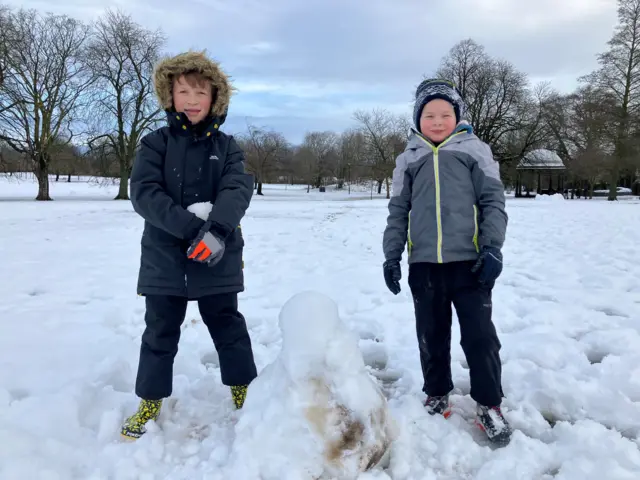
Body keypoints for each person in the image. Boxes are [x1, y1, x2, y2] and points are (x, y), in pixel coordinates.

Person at [121, 51, 257, 440]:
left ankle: (244, 391)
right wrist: (191, 229)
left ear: (215, 98)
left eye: (201, 92)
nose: (192, 100)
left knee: (229, 327)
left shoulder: (229, 147)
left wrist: (215, 233)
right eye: (183, 91)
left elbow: (237, 188)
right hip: (165, 258)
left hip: (217, 256)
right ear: (170, 95)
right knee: (159, 332)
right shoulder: (154, 144)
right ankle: (149, 401)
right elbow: (144, 193)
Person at [382, 79, 512, 445]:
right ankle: (437, 392)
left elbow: (492, 202)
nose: (437, 121)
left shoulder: (475, 151)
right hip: (423, 263)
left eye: (445, 114)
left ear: (457, 116)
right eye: (429, 115)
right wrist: (391, 254)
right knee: (431, 333)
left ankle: (489, 403)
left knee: (481, 336)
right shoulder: (408, 158)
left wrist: (492, 247)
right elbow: (398, 211)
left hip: (470, 263)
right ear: (417, 118)